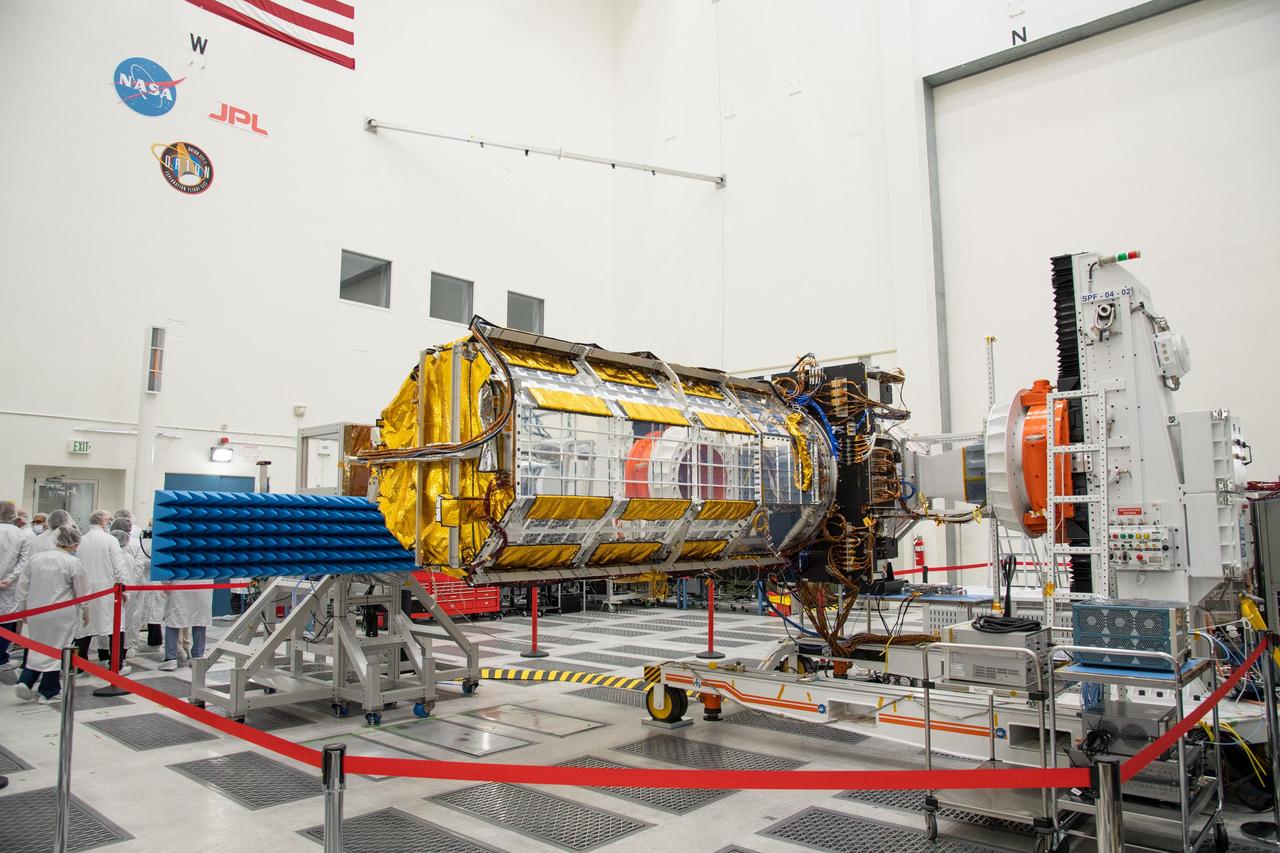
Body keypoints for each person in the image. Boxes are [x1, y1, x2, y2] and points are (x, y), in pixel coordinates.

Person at [13, 526, 88, 703]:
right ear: (74, 543)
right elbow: (82, 591)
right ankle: (49, 690)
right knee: (57, 649)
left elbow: (23, 586)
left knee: (37, 646)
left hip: (36, 611)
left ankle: (26, 680)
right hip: (61, 613)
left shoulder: (36, 559)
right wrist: (86, 610)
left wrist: (23, 609)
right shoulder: (72, 562)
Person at [75, 510, 131, 676]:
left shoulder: (81, 540)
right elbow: (118, 566)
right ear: (104, 521)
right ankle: (117, 664)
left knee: (85, 628)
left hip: (86, 590)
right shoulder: (110, 540)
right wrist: (124, 587)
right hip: (108, 590)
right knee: (114, 626)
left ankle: (80, 666)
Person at [110, 519, 151, 654]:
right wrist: (133, 583)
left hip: (113, 587)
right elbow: (139, 566)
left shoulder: (109, 541)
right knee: (133, 617)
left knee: (112, 618)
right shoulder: (135, 543)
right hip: (132, 587)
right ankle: (130, 646)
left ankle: (108, 650)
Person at [0, 501, 32, 672]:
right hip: (10, 586)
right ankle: (1, 658)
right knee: (7, 621)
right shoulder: (22, 535)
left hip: (8, 585)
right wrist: (9, 579)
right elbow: (24, 562)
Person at [160, 575, 213, 671]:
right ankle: (198, 657)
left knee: (174, 619)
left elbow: (169, 563)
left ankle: (170, 658)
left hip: (179, 585)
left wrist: (165, 583)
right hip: (203, 584)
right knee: (199, 620)